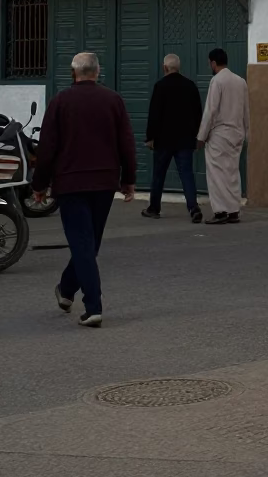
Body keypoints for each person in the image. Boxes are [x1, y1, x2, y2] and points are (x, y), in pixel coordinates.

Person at [32, 52, 136, 327]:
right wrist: (129, 180)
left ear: (72, 72)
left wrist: (39, 185)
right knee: (89, 245)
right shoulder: (113, 100)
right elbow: (126, 142)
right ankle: (66, 291)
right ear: (97, 72)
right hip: (104, 183)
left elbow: (47, 148)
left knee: (82, 244)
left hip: (70, 183)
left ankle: (93, 307)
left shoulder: (60, 102)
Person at [142, 53, 204, 223]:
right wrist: (198, 135)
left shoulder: (160, 86)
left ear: (165, 68)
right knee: (187, 174)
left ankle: (154, 208)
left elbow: (154, 114)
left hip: (164, 140)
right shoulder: (190, 86)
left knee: (158, 174)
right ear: (179, 67)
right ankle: (193, 207)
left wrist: (150, 137)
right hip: (185, 139)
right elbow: (198, 113)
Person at [197, 48, 249, 225]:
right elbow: (245, 110)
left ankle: (221, 211)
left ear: (213, 62)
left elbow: (210, 110)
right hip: (237, 133)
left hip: (220, 135)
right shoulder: (240, 81)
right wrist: (246, 132)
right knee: (233, 172)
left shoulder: (217, 81)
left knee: (217, 174)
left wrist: (201, 136)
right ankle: (234, 210)